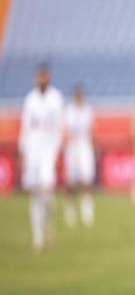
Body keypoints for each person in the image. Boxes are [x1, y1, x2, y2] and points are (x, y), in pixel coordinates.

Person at [18, 63, 64, 252]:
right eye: (39, 76)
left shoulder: (56, 99)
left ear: (49, 77)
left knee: (47, 190)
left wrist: (58, 152)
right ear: (36, 78)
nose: (42, 79)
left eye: (45, 76)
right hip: (32, 152)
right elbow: (25, 128)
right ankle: (38, 236)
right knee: (34, 193)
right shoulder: (30, 100)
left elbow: (59, 127)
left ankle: (49, 223)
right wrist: (23, 151)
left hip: (48, 151)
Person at [63, 84, 96, 228]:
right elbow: (65, 130)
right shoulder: (68, 110)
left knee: (87, 179)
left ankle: (87, 211)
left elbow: (92, 130)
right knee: (70, 181)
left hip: (85, 146)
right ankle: (70, 208)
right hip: (72, 147)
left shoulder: (88, 110)